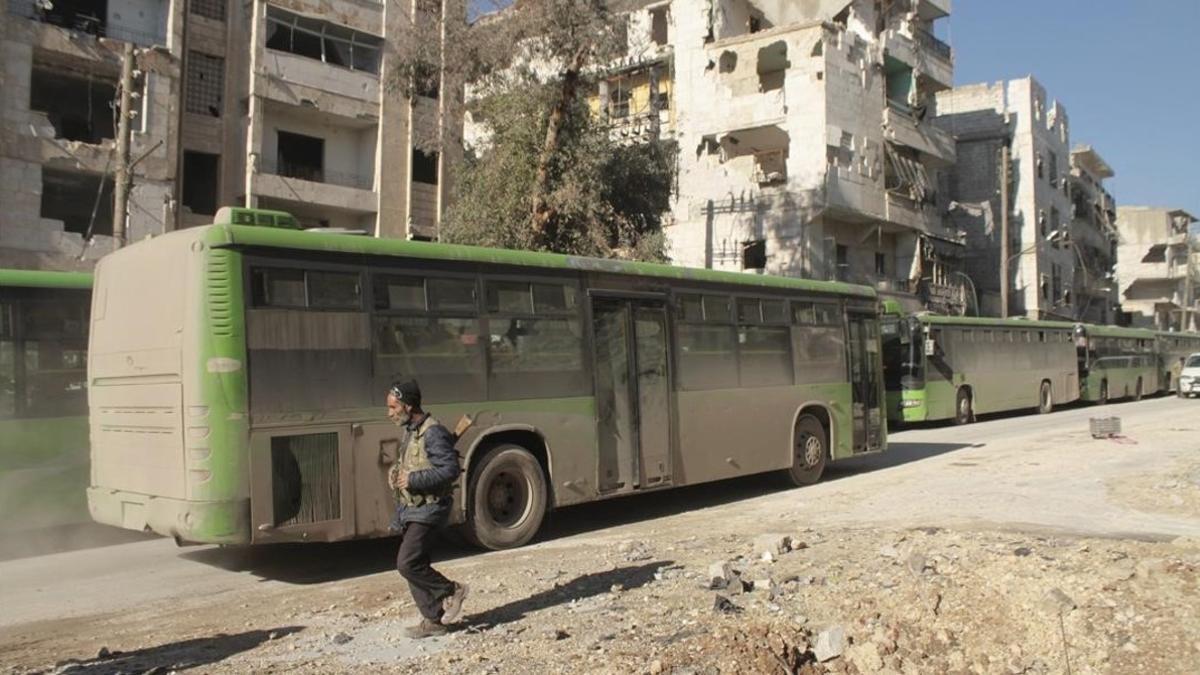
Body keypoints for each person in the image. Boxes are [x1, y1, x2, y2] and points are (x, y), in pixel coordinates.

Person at [386, 379, 469, 639]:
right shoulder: (411, 430)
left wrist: (413, 480)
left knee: (407, 563)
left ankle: (452, 590)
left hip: (430, 508)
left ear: (408, 406)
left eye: (393, 407)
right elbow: (414, 461)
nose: (389, 413)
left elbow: (449, 470)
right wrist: (397, 473)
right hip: (411, 508)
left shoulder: (433, 432)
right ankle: (433, 620)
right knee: (416, 562)